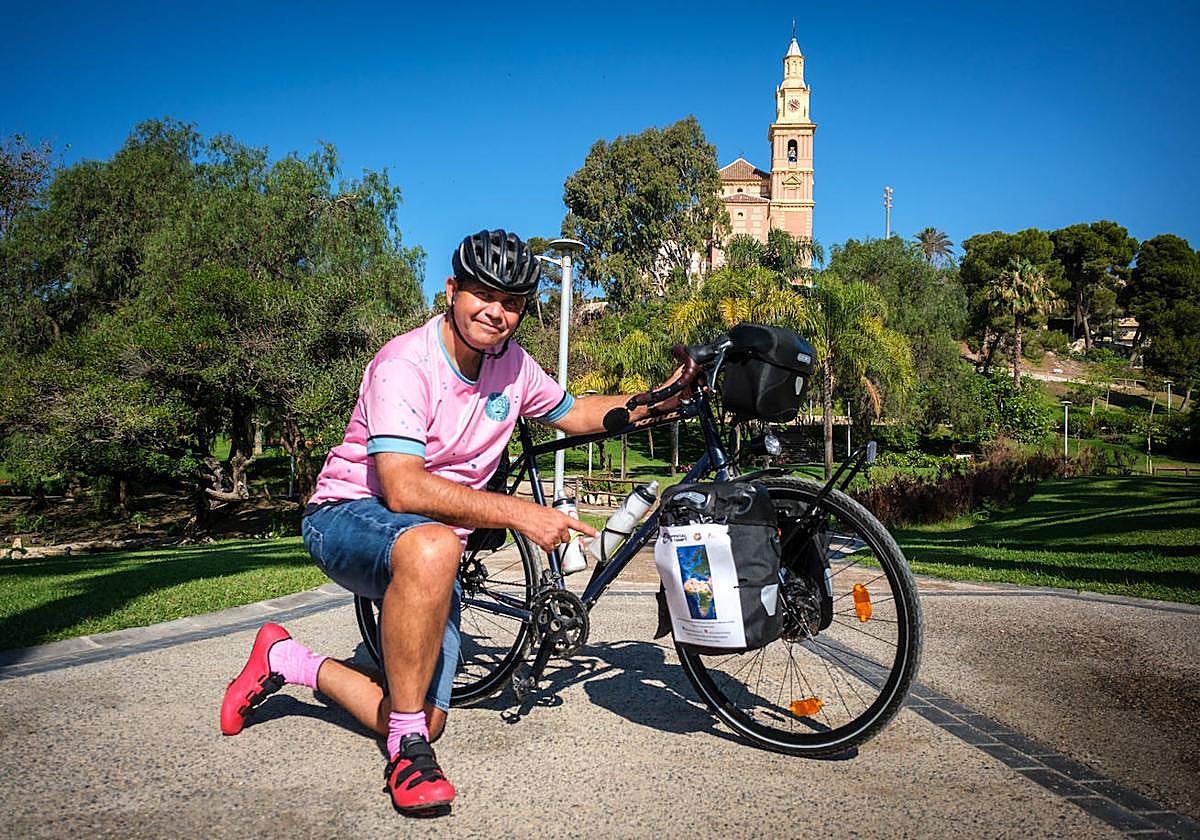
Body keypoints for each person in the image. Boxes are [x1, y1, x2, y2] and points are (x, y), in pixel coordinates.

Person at [220, 229, 679, 816]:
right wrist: (520, 512)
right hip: (344, 516)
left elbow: (577, 414)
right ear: (451, 291)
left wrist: (659, 399)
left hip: (430, 544)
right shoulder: (404, 364)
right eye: (483, 295)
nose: (496, 312)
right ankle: (407, 758)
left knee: (427, 715)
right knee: (435, 547)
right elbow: (404, 488)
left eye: (512, 302)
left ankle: (285, 660)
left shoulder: (513, 366)